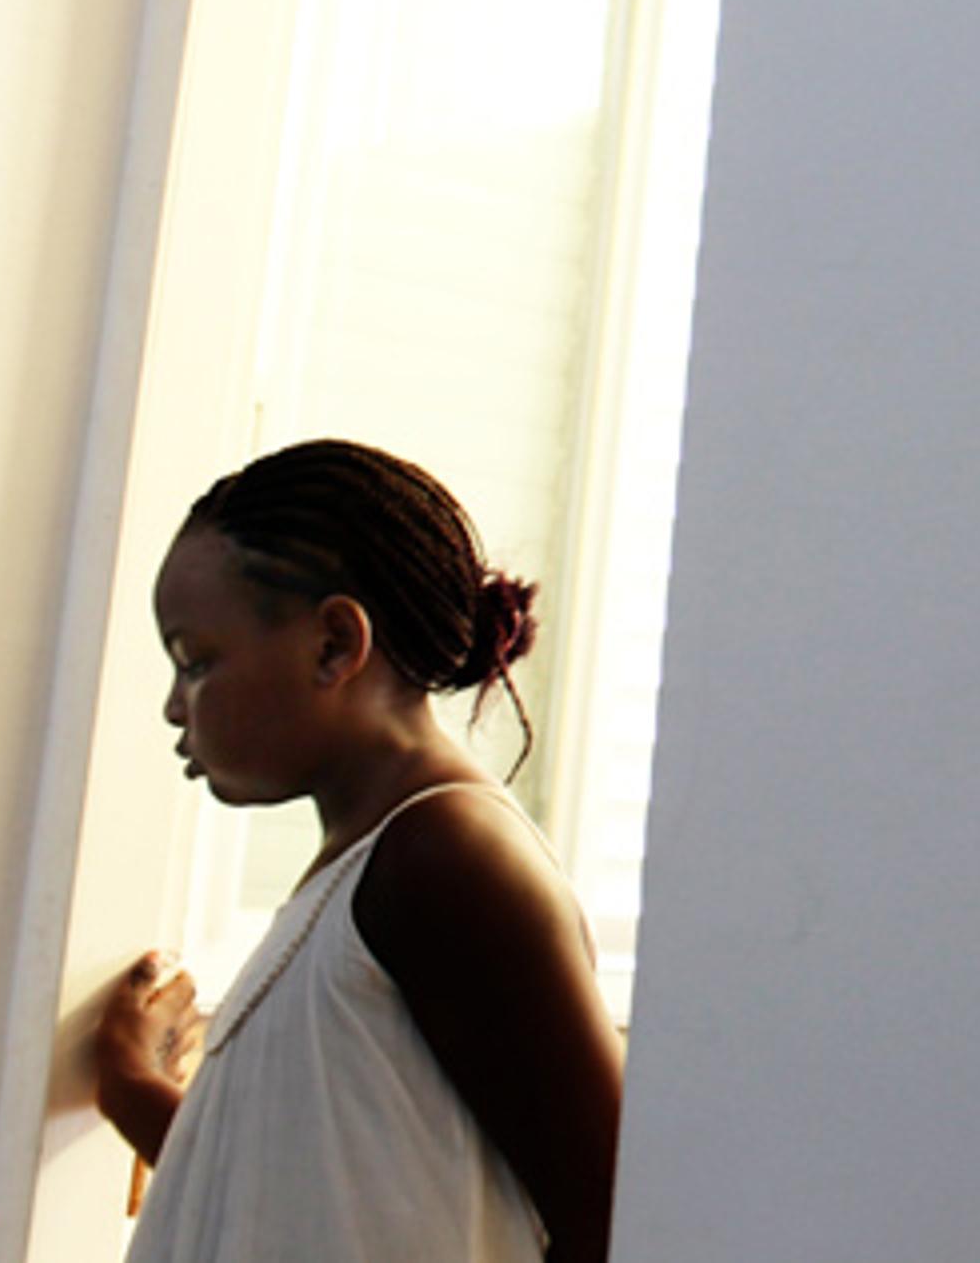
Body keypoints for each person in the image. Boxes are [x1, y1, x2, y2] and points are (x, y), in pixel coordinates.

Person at [90, 439, 622, 1262]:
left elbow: (615, 1217)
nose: (172, 707)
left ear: (335, 644)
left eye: (196, 662)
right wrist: (133, 1091)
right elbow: (307, 1197)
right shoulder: (360, 871)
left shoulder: (445, 859)